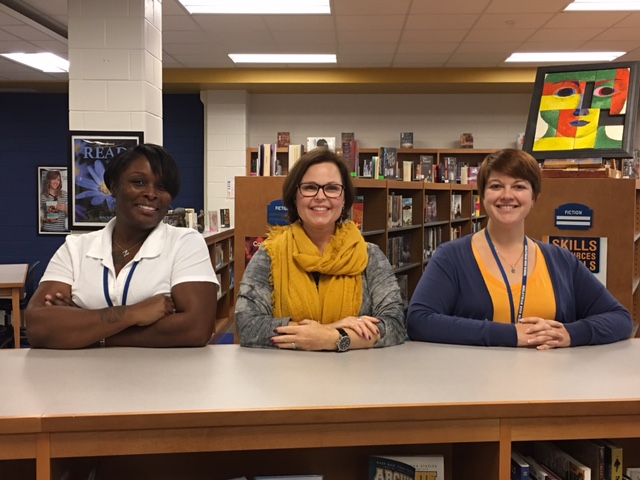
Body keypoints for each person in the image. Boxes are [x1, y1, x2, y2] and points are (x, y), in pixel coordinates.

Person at [407, 148, 633, 349]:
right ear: (482, 195)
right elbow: (419, 320)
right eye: (496, 186)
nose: (507, 195)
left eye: (519, 186)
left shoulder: (560, 260)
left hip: (551, 388)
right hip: (474, 387)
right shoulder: (451, 257)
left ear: (534, 197)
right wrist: (511, 334)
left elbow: (620, 319)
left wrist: (569, 334)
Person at [26, 143, 219, 349]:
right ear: (113, 187)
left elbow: (196, 329)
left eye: (162, 187)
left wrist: (87, 329)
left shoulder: (185, 243)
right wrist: (134, 313)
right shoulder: (76, 248)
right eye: (139, 182)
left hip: (162, 377)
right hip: (82, 377)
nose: (151, 193)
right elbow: (39, 328)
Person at [236, 148, 406, 351]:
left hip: (355, 377)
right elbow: (247, 325)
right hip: (284, 376)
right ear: (294, 197)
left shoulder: (369, 255)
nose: (320, 196)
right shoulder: (270, 253)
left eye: (332, 188)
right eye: (310, 187)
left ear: (344, 199)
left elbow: (395, 323)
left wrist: (332, 338)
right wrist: (329, 330)